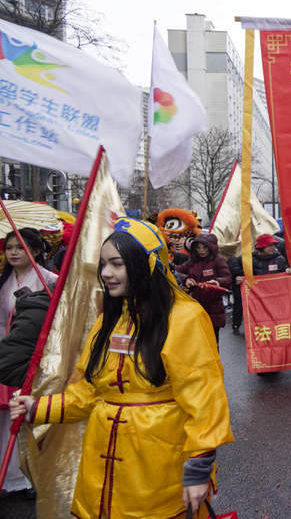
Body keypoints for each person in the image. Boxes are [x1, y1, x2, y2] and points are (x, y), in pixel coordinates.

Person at [9, 218, 233, 518]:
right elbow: (89, 393)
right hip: (98, 471)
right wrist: (37, 408)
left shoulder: (186, 319)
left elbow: (205, 401)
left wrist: (198, 468)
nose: (106, 273)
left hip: (158, 469)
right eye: (103, 264)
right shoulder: (108, 320)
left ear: (146, 265)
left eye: (117, 264)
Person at [0, 228, 58, 494]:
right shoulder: (3, 282)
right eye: (10, 247)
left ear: (35, 251)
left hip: (35, 357)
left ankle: (34, 474)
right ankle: (10, 474)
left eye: (20, 247)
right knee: (7, 418)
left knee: (33, 417)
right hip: (8, 353)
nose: (13, 252)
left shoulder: (50, 280)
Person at [227, 233, 289, 335]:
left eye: (273, 245)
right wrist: (242, 276)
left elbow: (285, 271)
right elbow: (232, 262)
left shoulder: (280, 259)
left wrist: (287, 271)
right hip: (257, 293)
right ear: (261, 247)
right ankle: (237, 325)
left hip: (274, 294)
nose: (272, 248)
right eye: (269, 246)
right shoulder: (250, 259)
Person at [176, 232, 232, 345]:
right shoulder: (192, 261)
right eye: (199, 248)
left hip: (214, 308)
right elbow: (176, 272)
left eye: (205, 248)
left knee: (212, 342)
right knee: (198, 342)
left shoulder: (218, 260)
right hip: (196, 306)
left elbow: (227, 278)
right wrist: (186, 279)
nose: (201, 251)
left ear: (211, 248)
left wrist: (217, 282)